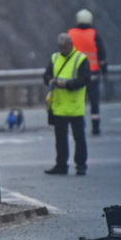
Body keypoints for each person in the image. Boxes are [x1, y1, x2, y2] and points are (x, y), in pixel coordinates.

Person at [43, 33, 91, 175]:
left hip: (75, 106)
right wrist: (50, 81)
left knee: (79, 138)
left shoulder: (80, 59)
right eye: (61, 48)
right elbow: (46, 75)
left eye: (65, 47)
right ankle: (61, 165)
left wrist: (68, 84)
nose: (63, 50)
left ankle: (81, 165)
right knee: (60, 139)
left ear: (71, 44)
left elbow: (85, 79)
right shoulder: (55, 57)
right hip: (59, 106)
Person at [68, 9, 106, 135]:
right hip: (92, 74)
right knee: (94, 102)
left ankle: (78, 125)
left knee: (77, 102)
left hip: (75, 74)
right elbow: (102, 56)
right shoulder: (94, 35)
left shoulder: (70, 34)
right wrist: (105, 72)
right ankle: (96, 128)